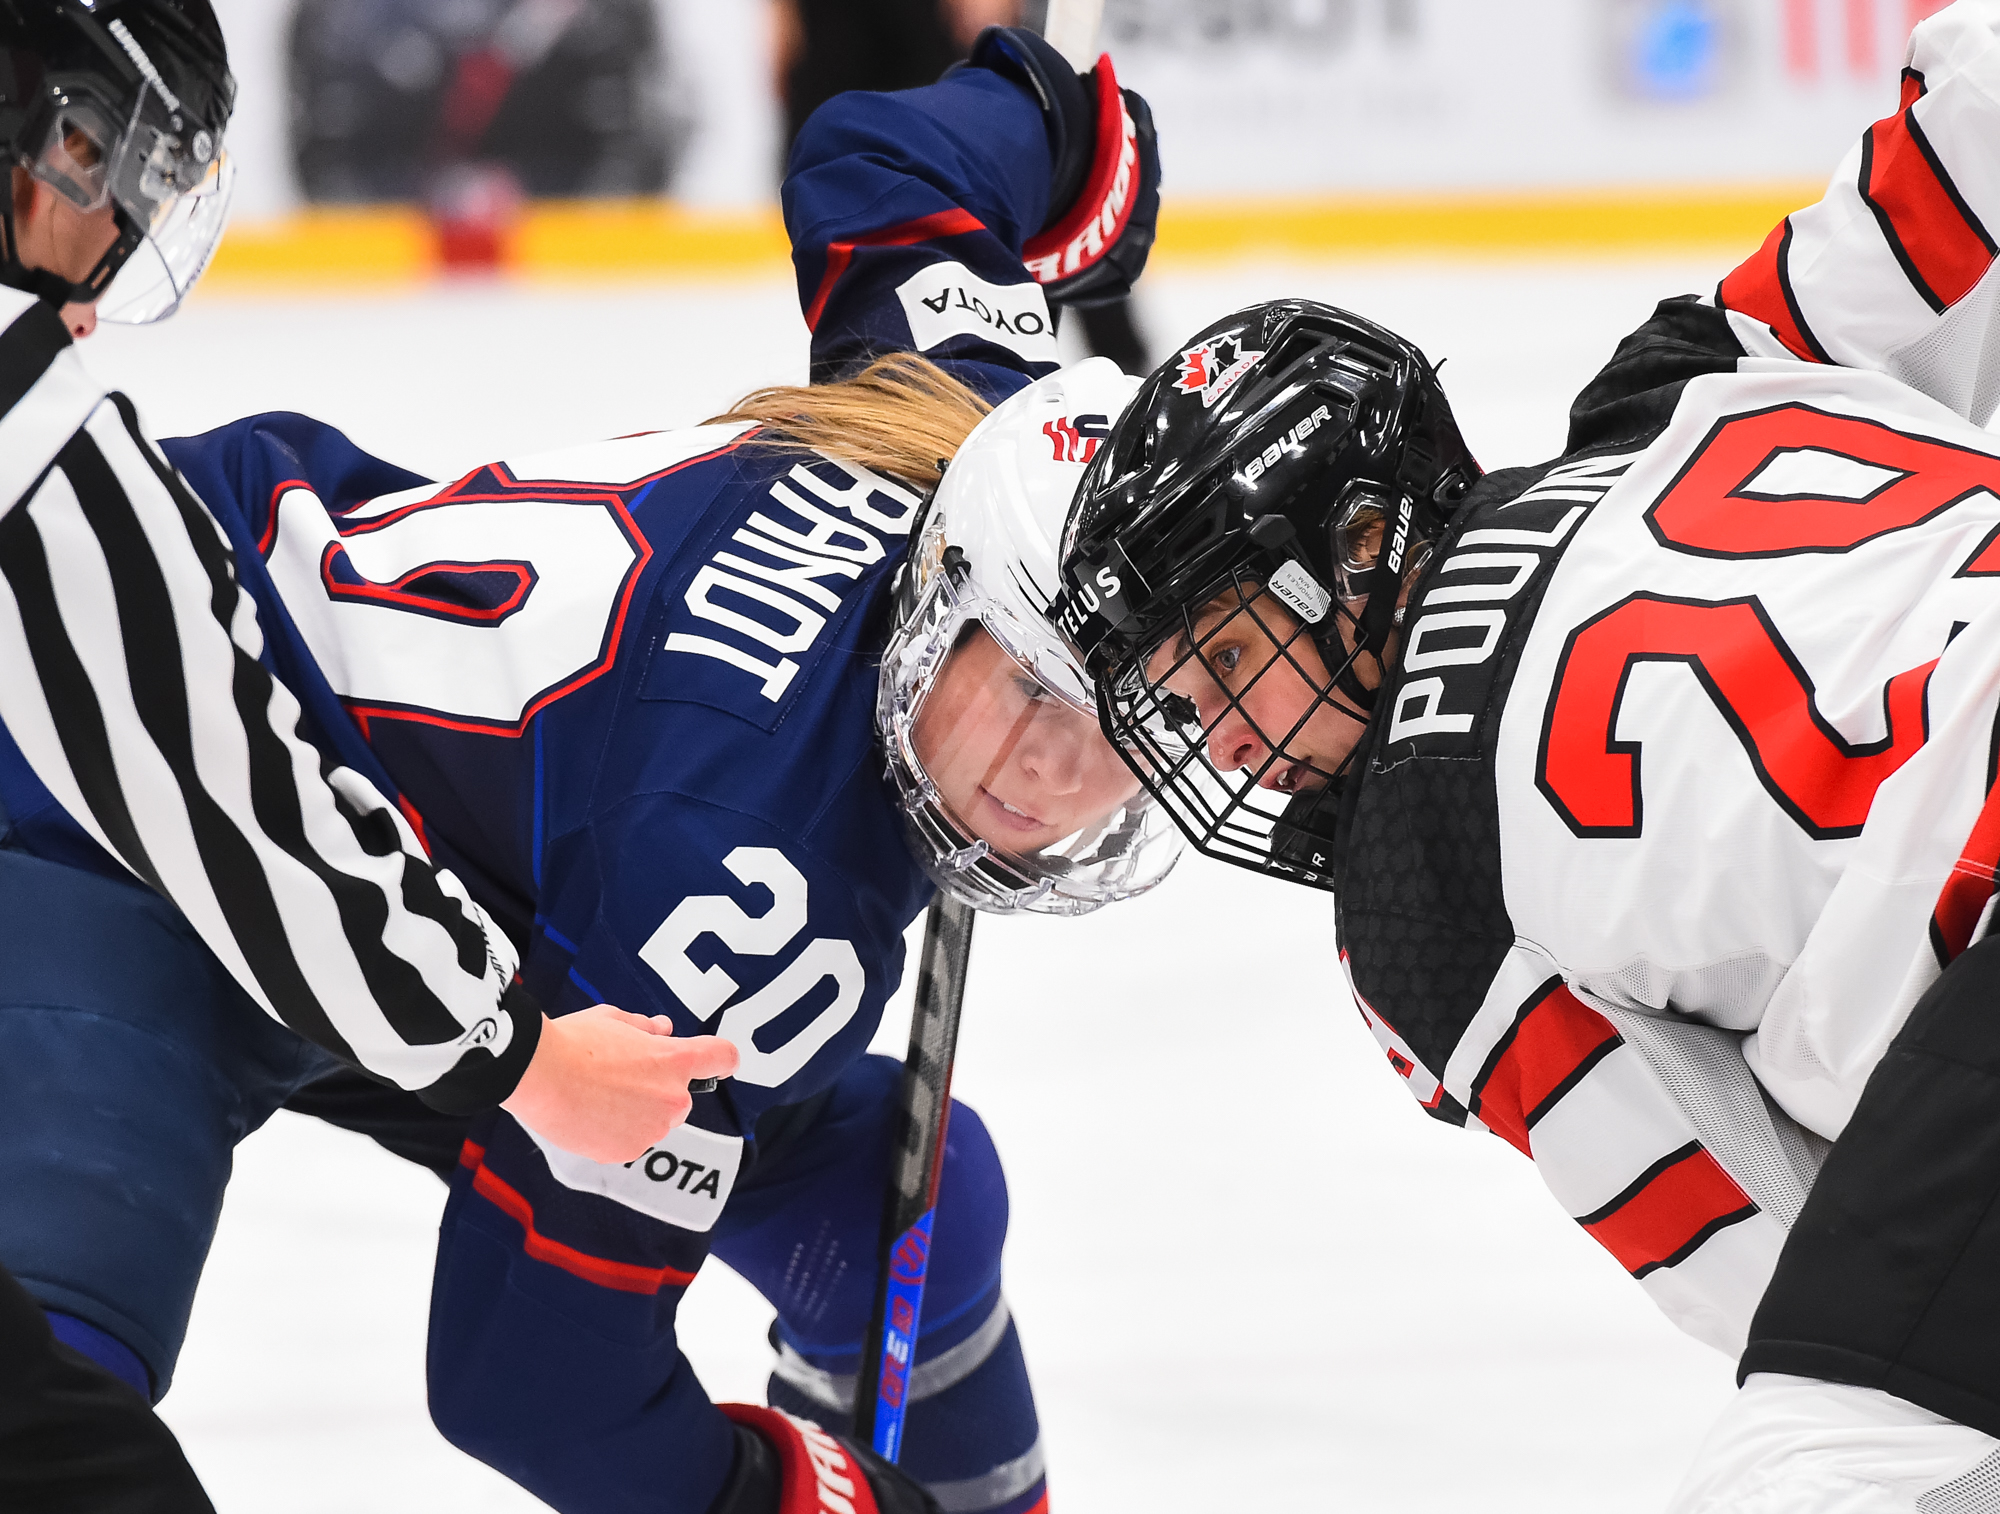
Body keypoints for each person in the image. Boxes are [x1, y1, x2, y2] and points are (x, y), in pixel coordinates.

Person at [8, 17, 1167, 1514]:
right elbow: (528, 1380)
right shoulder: (747, 884)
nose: (1056, 778)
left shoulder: (961, 425)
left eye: (1132, 729)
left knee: (895, 1199)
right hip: (110, 829)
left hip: (446, 864)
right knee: (51, 1417)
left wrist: (1066, 133)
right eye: (1030, 689)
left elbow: (894, 159)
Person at [1055, 1, 2000, 1506]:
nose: (1226, 736)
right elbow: (1972, 134)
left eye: (1229, 655)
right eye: (1184, 701)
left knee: (1824, 1461)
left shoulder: (1415, 885)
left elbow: (1776, 1248)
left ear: (1363, 547)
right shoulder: (1684, 380)